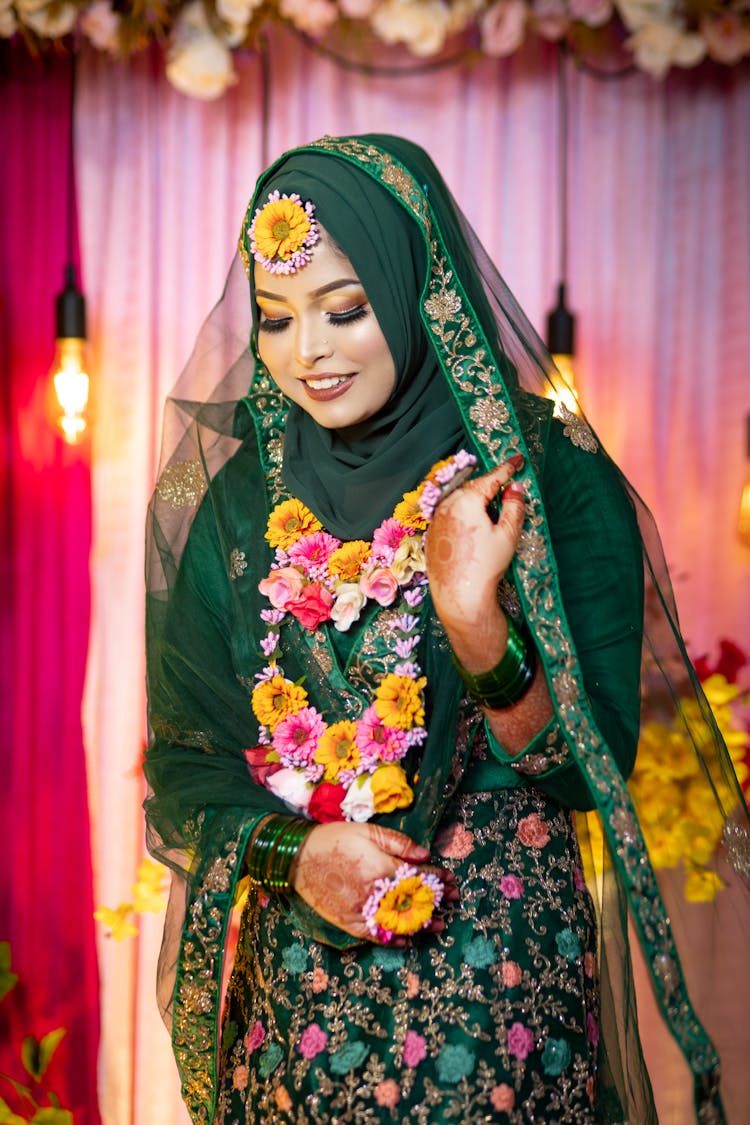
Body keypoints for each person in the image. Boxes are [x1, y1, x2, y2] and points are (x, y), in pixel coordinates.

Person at [144, 135, 749, 1124]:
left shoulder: (547, 480)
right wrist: (294, 855)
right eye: (276, 317)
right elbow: (184, 765)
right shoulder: (237, 503)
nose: (310, 351)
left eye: (345, 309)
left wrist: (475, 623)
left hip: (497, 985)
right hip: (299, 991)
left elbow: (580, 770)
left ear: (418, 288)